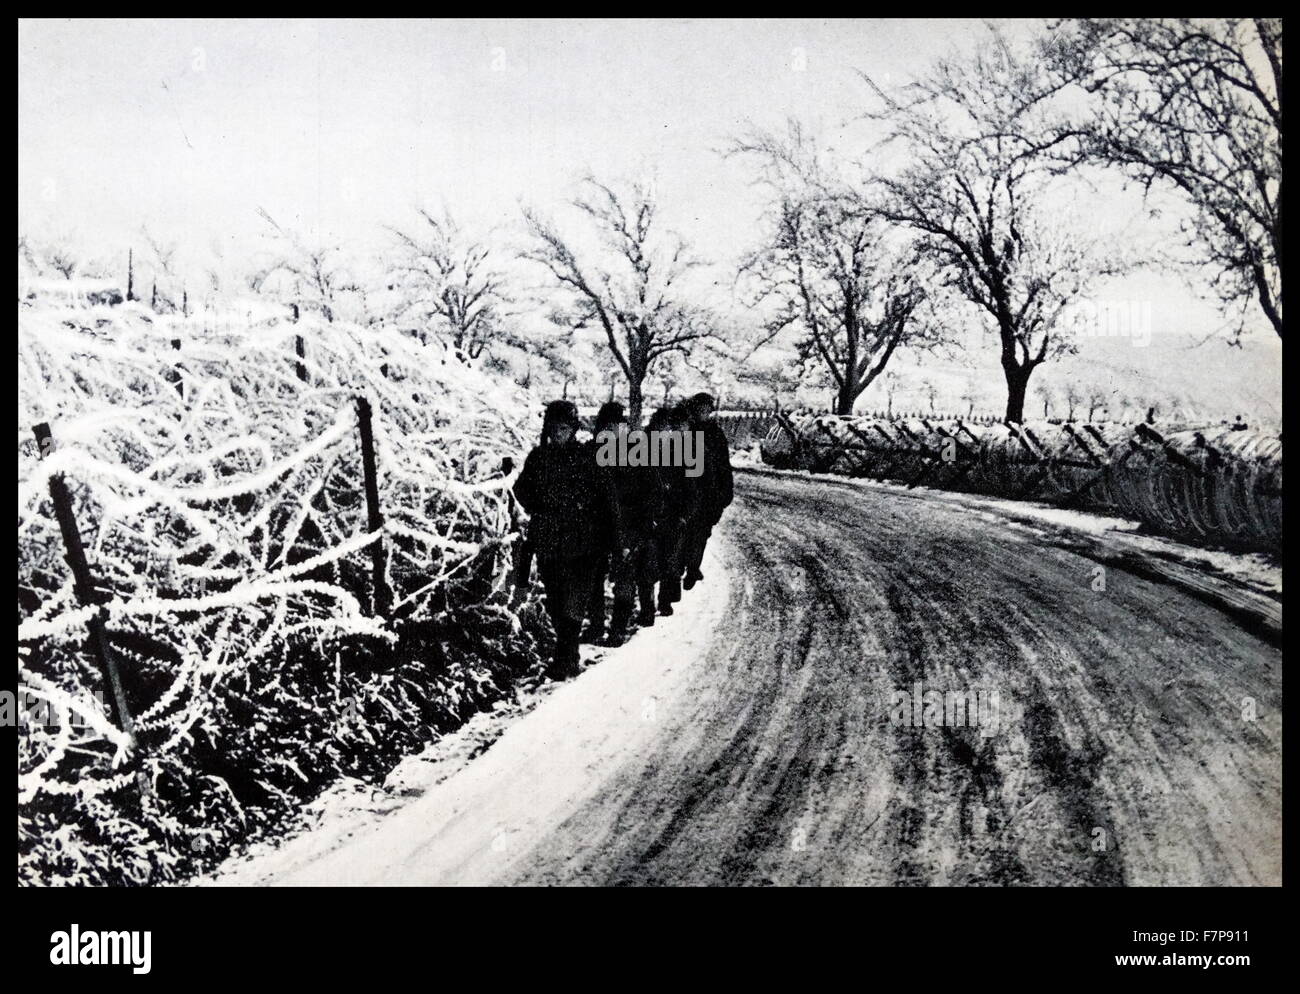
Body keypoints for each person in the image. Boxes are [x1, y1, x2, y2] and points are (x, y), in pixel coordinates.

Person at [513, 400, 620, 679]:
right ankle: (567, 655)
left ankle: (565, 660)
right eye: (554, 428)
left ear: (573, 429)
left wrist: (614, 544)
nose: (558, 433)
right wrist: (542, 505)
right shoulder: (538, 458)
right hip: (550, 542)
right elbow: (521, 492)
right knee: (558, 604)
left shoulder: (588, 458)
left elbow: (609, 501)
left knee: (574, 603)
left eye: (564, 428)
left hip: (585, 543)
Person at [583, 402, 632, 644]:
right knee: (593, 578)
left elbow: (646, 493)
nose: (611, 431)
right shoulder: (588, 453)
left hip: (626, 526)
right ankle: (596, 625)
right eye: (606, 426)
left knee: (623, 578)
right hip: (596, 526)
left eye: (616, 426)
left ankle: (619, 628)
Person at [680, 392, 733, 590]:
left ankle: (693, 566)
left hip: (709, 493)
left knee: (702, 533)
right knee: (686, 533)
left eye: (707, 409)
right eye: (700, 409)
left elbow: (724, 466)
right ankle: (686, 565)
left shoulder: (715, 434)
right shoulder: (686, 430)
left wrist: (725, 493)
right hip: (687, 490)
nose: (704, 413)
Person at [651, 404, 698, 616]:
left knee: (670, 560)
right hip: (651, 515)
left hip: (674, 515)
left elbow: (692, 489)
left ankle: (664, 600)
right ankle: (649, 603)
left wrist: (685, 516)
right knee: (652, 561)